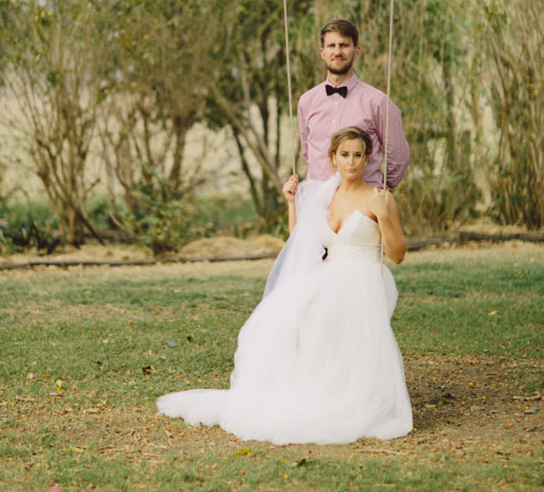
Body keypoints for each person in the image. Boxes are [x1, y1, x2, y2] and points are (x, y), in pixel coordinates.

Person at [156, 126, 413, 445]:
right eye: (344, 155)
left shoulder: (379, 198)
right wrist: (291, 203)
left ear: (367, 158)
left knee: (333, 324)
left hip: (361, 280)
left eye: (358, 155)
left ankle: (349, 395)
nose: (351, 162)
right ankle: (307, 388)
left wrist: (384, 216)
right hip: (328, 276)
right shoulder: (325, 195)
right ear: (332, 158)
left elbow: (398, 254)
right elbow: (303, 241)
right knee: (285, 317)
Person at [298, 19, 410, 186]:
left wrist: (380, 189)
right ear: (322, 52)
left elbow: (399, 156)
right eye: (331, 46)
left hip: (362, 204)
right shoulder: (306, 101)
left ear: (356, 51)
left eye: (343, 45)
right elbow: (308, 154)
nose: (337, 51)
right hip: (318, 202)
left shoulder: (378, 102)